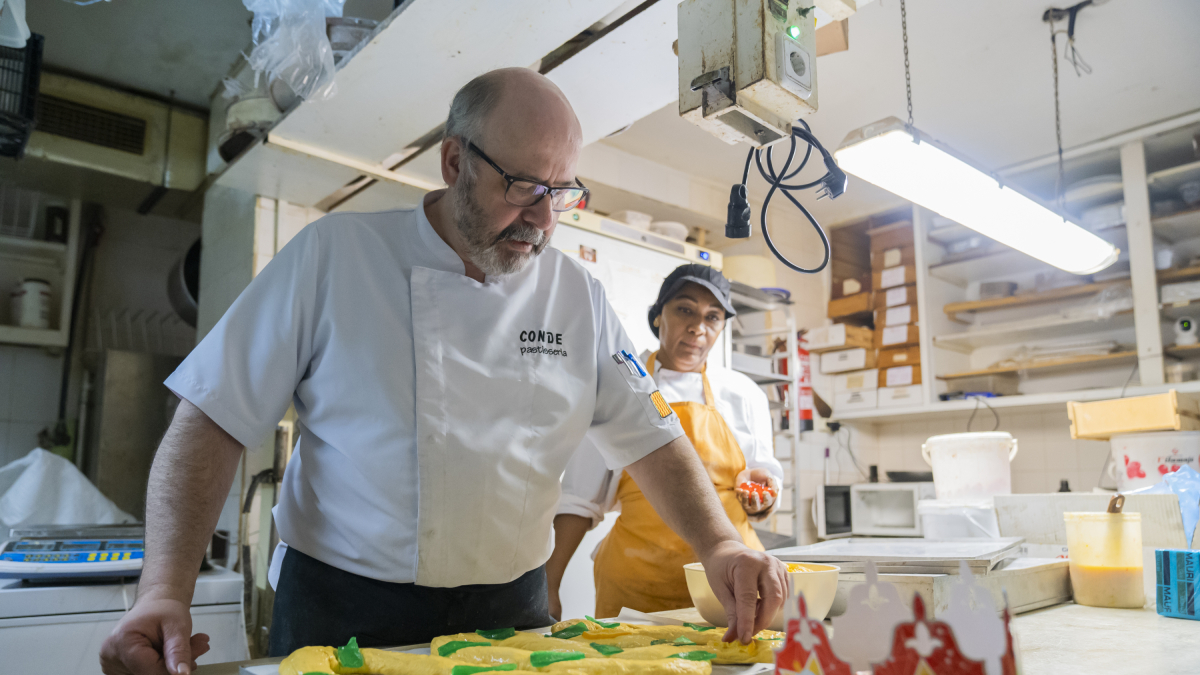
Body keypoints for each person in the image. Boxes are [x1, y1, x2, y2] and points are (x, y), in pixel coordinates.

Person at [99, 68, 787, 675]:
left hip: (509, 614)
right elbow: (213, 418)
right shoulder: (335, 258)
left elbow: (651, 438)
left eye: (561, 192)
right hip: (343, 609)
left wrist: (721, 542)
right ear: (454, 161)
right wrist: (165, 589)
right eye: (523, 187)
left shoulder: (575, 296)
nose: (544, 219)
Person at [546, 265, 784, 620]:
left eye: (713, 317)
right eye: (684, 309)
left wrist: (763, 496)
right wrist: (548, 585)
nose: (697, 328)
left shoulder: (743, 393)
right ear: (659, 316)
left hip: (731, 582)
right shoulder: (621, 382)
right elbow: (581, 500)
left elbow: (761, 477)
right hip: (638, 587)